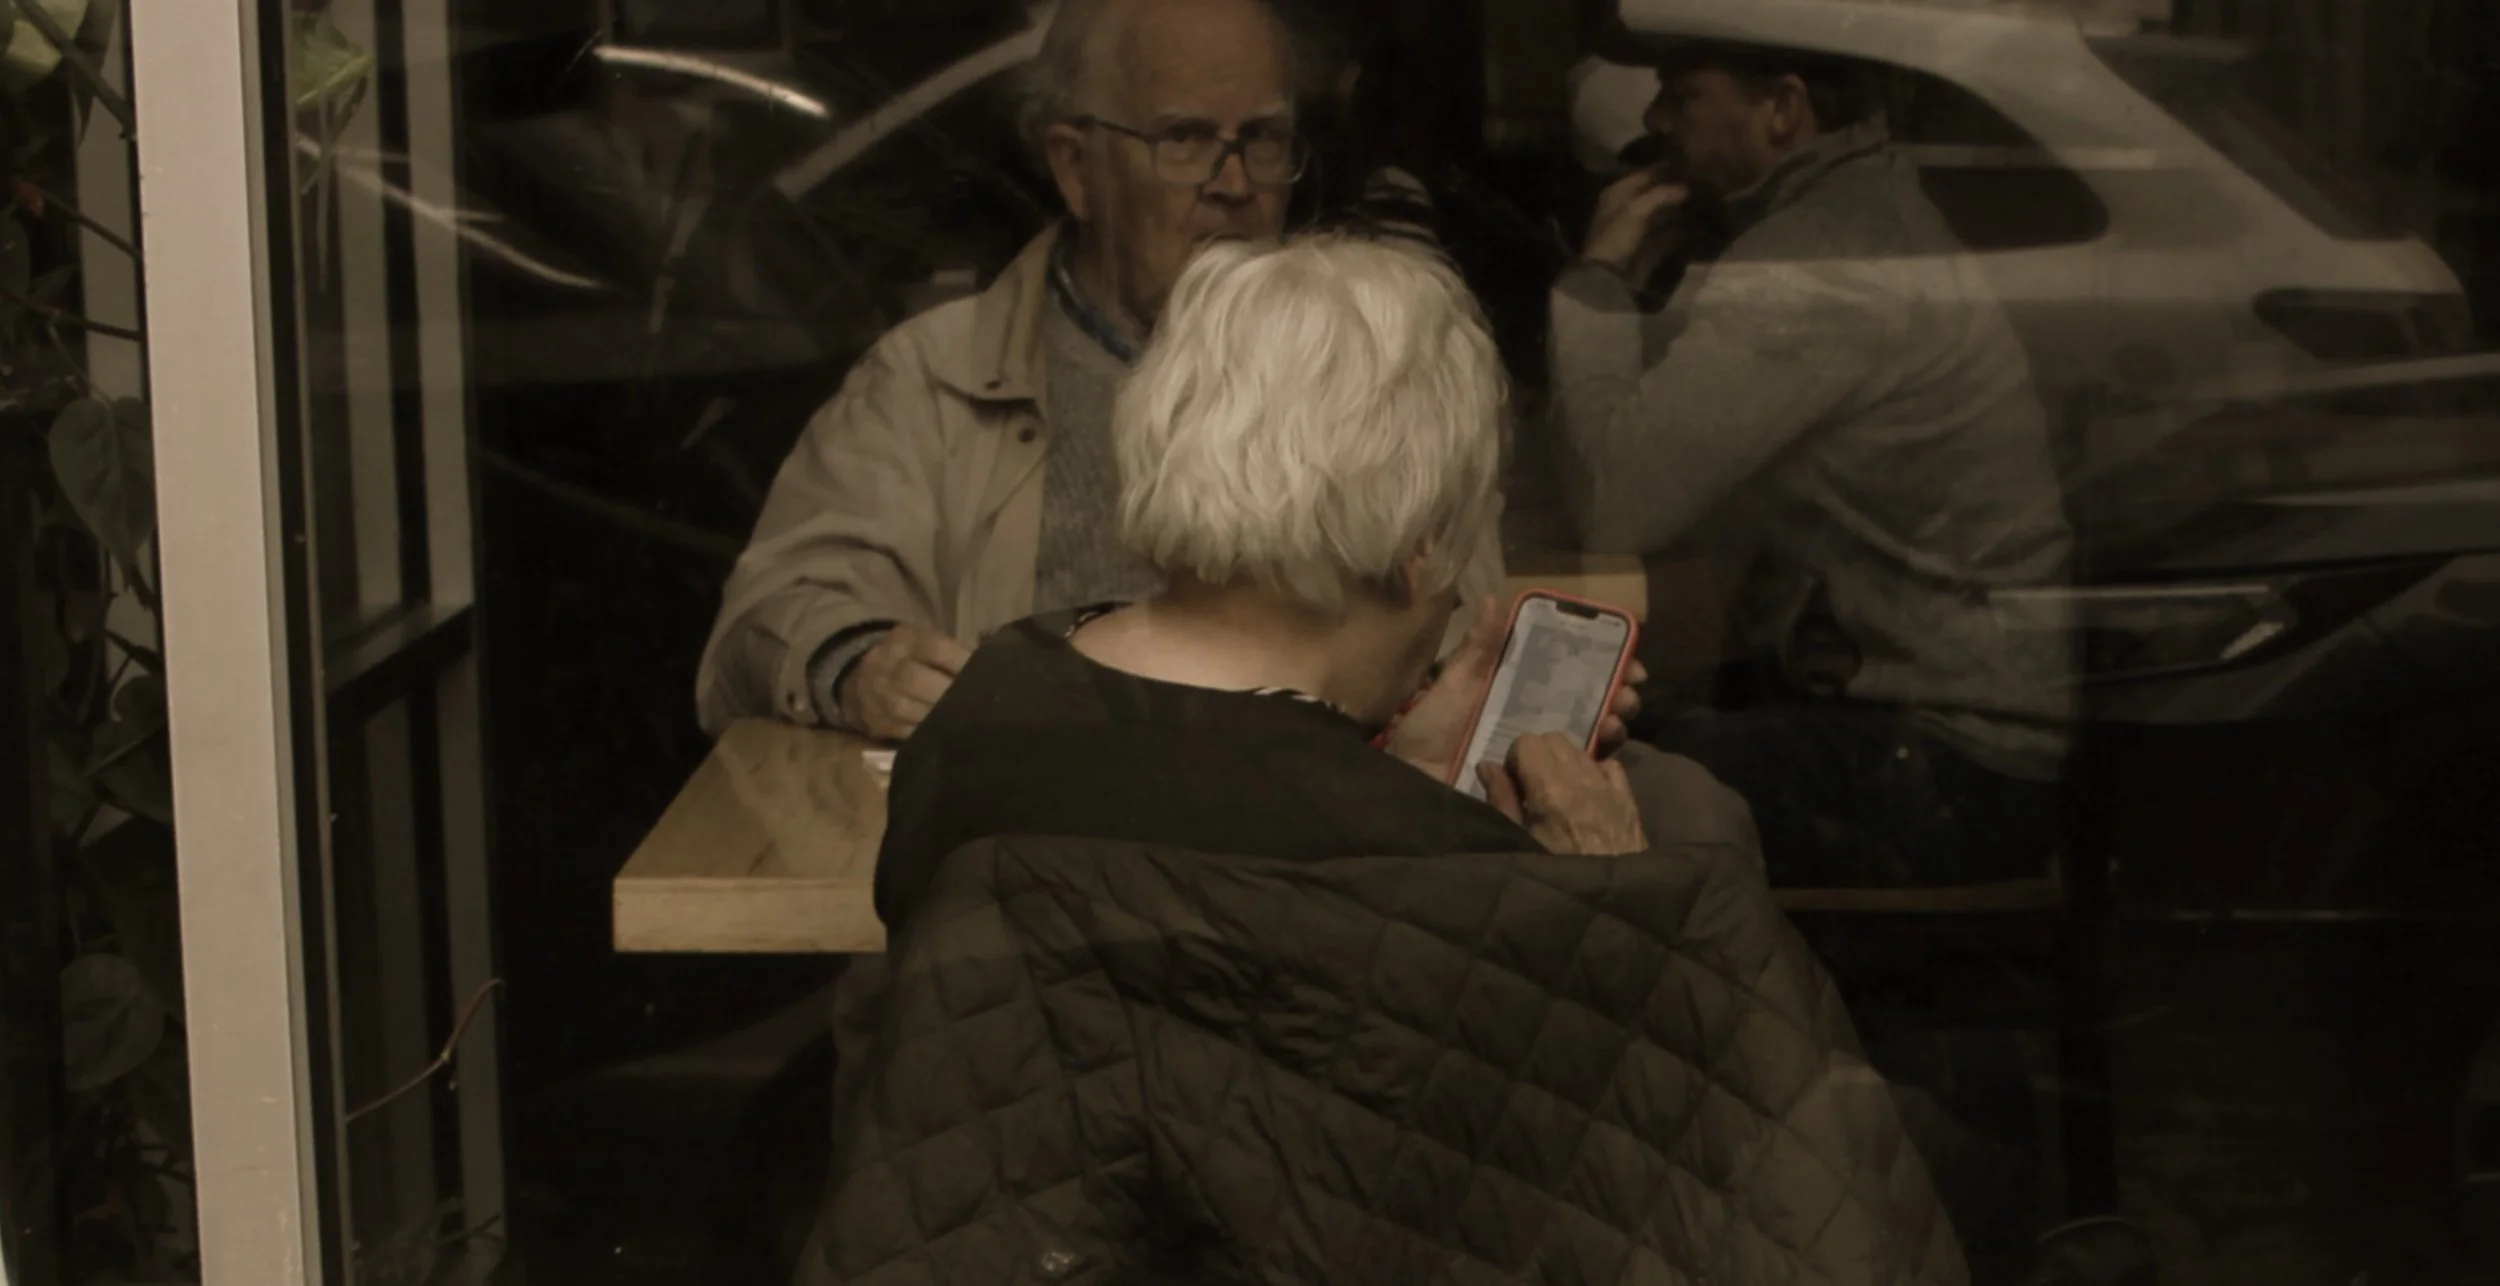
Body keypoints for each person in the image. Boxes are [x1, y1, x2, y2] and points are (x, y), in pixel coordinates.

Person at [796, 234, 1962, 1286]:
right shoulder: (1433, 868)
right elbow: (1635, 1179)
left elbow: (1215, 800)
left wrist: (1389, 752)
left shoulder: (988, 706)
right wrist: (1613, 903)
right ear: (1418, 548)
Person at [694, 0, 1504, 745]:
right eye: (1184, 139)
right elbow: (767, 620)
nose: (1235, 184)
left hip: (1302, 837)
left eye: (1262, 138)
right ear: (1077, 168)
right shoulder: (933, 379)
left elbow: (1466, 628)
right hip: (1016, 835)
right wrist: (859, 667)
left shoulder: (1381, 373)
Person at [1547, 35, 2078, 888]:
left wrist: (1598, 279)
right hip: (1946, 724)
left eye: (1683, 94)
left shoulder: (1816, 266)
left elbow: (1619, 503)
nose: (1653, 119)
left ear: (1783, 109)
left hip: (1947, 760)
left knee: (1591, 787)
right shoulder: (1855, 214)